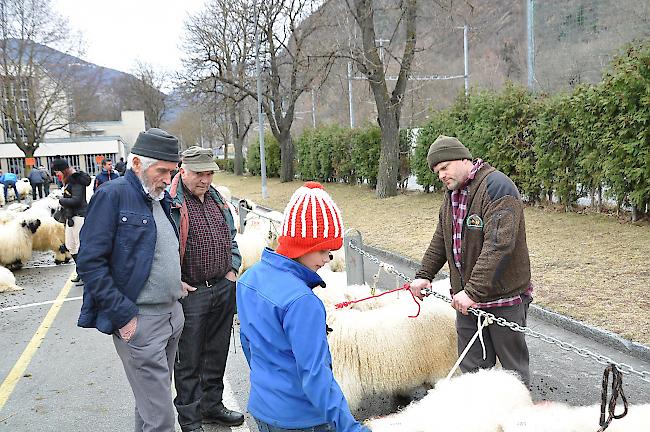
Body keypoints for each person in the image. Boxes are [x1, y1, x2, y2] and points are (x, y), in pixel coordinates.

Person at [77, 128, 187, 432]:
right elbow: (90, 262)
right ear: (137, 163)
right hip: (140, 322)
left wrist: (175, 284)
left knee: (151, 405)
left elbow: (155, 252)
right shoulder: (112, 195)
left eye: (172, 171)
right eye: (162, 171)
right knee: (162, 417)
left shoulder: (159, 197)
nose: (168, 178)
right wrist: (124, 316)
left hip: (170, 316)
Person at [237, 181, 370, 432]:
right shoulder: (303, 302)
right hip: (300, 418)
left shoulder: (249, 279)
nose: (326, 260)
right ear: (301, 245)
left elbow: (249, 343)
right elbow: (315, 375)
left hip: (263, 407)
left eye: (330, 252)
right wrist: (351, 428)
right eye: (322, 250)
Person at [409, 135, 533, 387]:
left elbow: (499, 245)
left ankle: (519, 421)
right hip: (467, 301)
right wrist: (425, 274)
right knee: (473, 371)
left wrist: (473, 291)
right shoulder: (452, 193)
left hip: (503, 298)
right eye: (437, 172)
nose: (441, 175)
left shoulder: (498, 187)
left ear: (464, 159)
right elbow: (442, 237)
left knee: (513, 373)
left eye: (445, 167)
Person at [169, 146, 243, 432]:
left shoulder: (217, 199)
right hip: (192, 292)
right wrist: (174, 280)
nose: (205, 179)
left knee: (216, 352)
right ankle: (190, 419)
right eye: (199, 173)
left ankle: (212, 405)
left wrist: (232, 269)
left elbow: (232, 237)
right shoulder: (170, 203)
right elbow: (160, 248)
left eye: (209, 172)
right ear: (183, 170)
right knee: (188, 360)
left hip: (222, 287)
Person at [51, 158, 91, 284]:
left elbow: (77, 200)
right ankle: (80, 271)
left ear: (64, 170)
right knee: (70, 246)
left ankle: (85, 274)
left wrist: (60, 200)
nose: (56, 174)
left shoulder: (76, 180)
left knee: (80, 247)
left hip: (79, 217)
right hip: (71, 217)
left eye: (57, 171)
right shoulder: (69, 181)